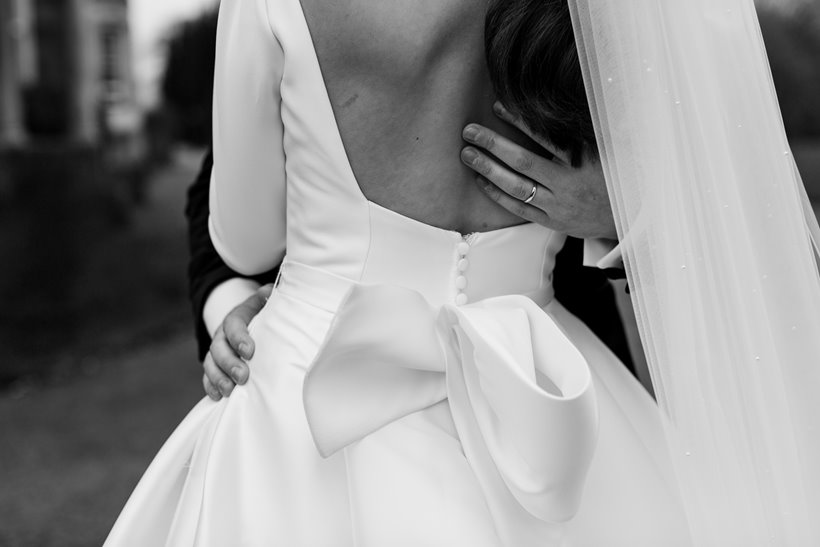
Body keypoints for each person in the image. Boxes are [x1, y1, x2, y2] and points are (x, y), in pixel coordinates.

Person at [105, 0, 691, 545]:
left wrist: (625, 214)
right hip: (551, 384)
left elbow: (246, 239)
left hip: (319, 376)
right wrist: (230, 306)